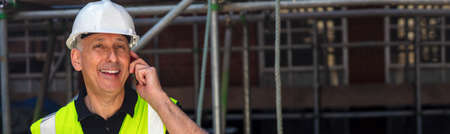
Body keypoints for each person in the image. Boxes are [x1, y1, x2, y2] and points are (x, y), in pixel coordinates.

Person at [30, 0, 207, 133]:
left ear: (130, 57)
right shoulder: (49, 129)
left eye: (120, 46)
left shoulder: (162, 115)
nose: (113, 57)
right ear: (77, 59)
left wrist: (159, 99)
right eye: (99, 46)